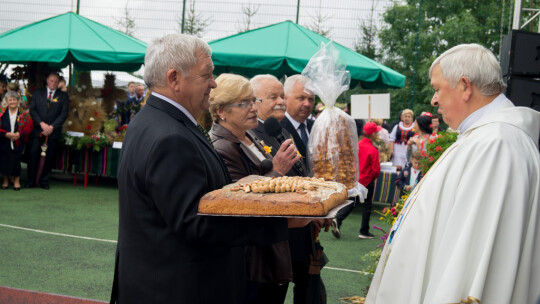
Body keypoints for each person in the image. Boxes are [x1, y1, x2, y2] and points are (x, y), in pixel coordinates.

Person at [109, 33, 292, 304]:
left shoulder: (151, 120)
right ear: (174, 79)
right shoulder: (170, 136)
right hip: (179, 289)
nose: (213, 83)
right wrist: (277, 220)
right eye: (207, 75)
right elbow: (196, 222)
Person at [366, 44, 540, 304]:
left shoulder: (497, 145)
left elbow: (469, 265)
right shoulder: (484, 137)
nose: (434, 100)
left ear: (465, 86)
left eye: (437, 89)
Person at [208, 73, 308, 304]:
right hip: (251, 262)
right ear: (222, 110)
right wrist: (278, 171)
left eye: (253, 101)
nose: (253, 108)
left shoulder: (249, 135)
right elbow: (242, 202)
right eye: (243, 103)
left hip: (271, 253)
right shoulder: (222, 147)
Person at [332, 122, 381, 239]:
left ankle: (338, 219)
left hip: (355, 178)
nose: (378, 134)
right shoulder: (373, 150)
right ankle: (363, 231)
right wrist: (371, 178)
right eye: (376, 132)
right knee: (366, 206)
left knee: (353, 201)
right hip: (367, 180)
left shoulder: (357, 145)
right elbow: (376, 170)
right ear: (373, 134)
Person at [27, 72, 68, 189]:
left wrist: (51, 127)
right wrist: (42, 124)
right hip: (37, 130)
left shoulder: (63, 96)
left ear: (58, 82)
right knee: (33, 155)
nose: (53, 84)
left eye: (56, 82)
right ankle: (31, 180)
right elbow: (32, 111)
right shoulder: (37, 93)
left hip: (53, 132)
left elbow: (63, 114)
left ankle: (44, 181)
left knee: (50, 157)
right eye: (51, 81)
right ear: (47, 80)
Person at [281, 75, 315, 169]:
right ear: (285, 99)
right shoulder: (277, 129)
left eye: (311, 99)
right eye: (301, 98)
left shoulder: (316, 128)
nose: (307, 104)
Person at [0, 92, 32, 190]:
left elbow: (28, 128)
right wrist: (6, 134)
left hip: (18, 141)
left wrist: (19, 134)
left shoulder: (24, 114)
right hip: (4, 141)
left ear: (18, 101)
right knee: (4, 161)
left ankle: (17, 181)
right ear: (7, 101)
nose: (13, 102)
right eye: (10, 100)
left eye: (14, 100)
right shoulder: (1, 113)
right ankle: (5, 180)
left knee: (16, 161)